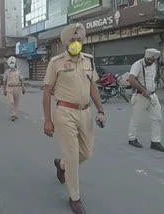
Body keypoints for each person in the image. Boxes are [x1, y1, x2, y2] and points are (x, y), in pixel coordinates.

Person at [43, 23, 105, 214]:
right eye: (72, 40)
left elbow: (92, 87)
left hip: (85, 112)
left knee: (86, 153)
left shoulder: (89, 60)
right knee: (71, 154)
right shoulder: (56, 63)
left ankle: (61, 165)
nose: (76, 43)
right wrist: (47, 120)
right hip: (65, 113)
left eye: (79, 40)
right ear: (65, 42)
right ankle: (75, 196)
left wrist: (100, 110)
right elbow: (46, 92)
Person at [128, 48, 164, 152]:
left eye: (152, 60)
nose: (150, 62)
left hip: (152, 96)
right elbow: (131, 79)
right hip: (140, 96)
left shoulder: (153, 65)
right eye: (149, 60)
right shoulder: (138, 64)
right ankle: (132, 139)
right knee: (136, 119)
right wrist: (143, 90)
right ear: (146, 57)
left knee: (157, 118)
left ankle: (155, 142)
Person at [3, 56, 26, 121]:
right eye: (11, 63)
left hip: (17, 88)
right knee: (11, 102)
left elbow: (21, 80)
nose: (12, 64)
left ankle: (15, 114)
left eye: (13, 62)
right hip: (9, 88)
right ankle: (12, 114)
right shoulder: (7, 72)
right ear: (9, 64)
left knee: (16, 102)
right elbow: (4, 81)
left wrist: (23, 88)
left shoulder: (18, 71)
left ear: (15, 63)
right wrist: (4, 89)